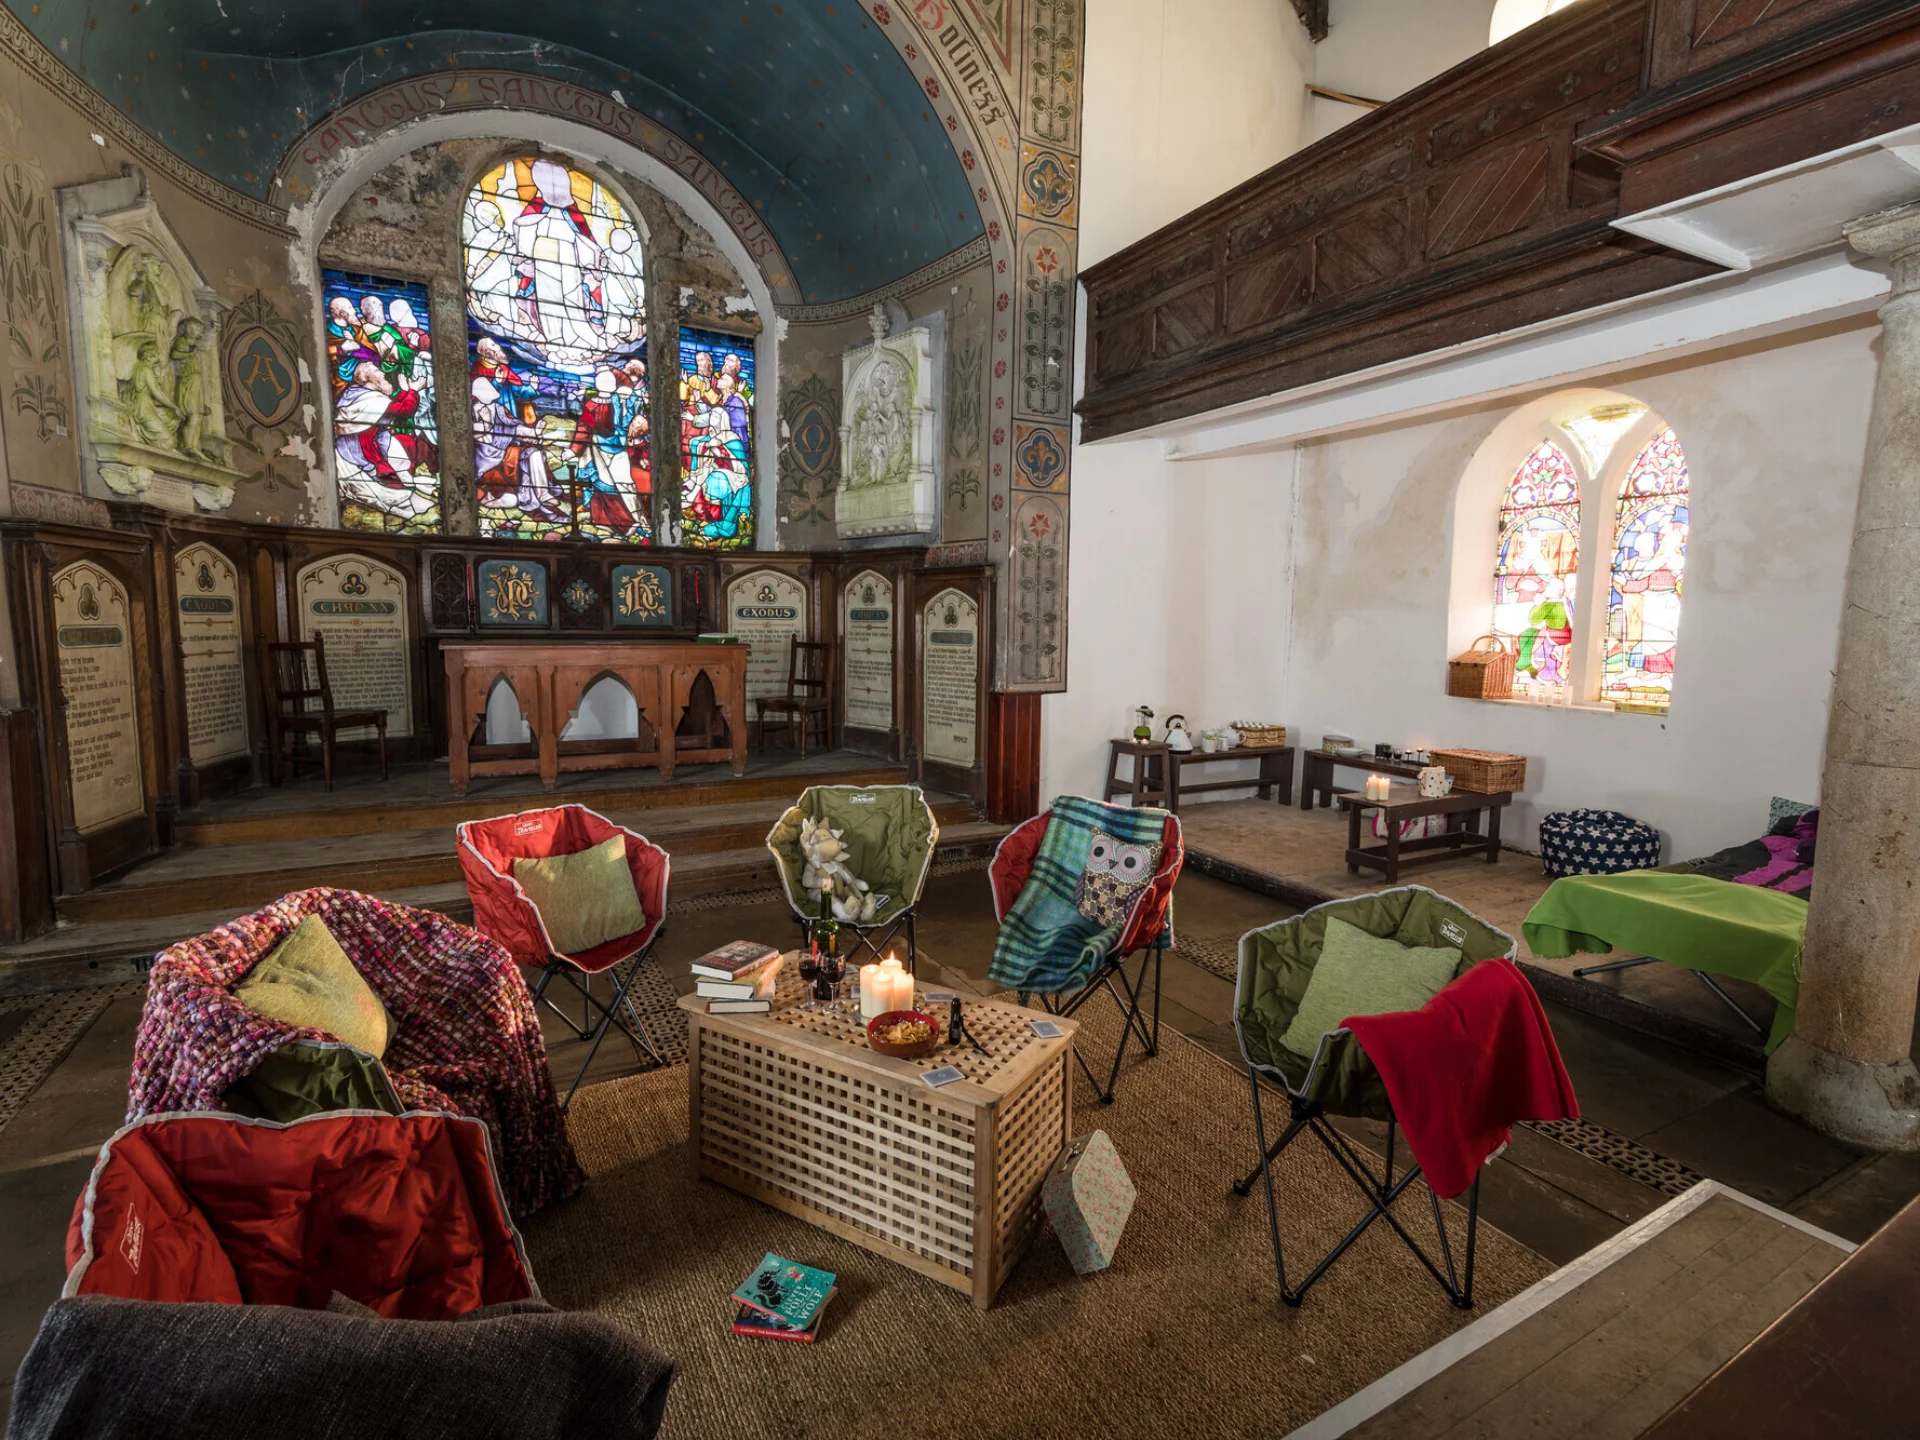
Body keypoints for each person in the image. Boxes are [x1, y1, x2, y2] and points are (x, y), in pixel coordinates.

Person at [333, 362, 434, 520]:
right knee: (384, 489)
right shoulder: (365, 398)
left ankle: (407, 483)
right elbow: (402, 411)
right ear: (368, 378)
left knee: (404, 443)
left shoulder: (361, 394)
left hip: (370, 446)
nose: (382, 373)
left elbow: (388, 409)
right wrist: (413, 391)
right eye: (376, 370)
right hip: (357, 453)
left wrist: (406, 391)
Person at [473, 377, 566, 527]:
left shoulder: (498, 408)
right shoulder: (472, 409)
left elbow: (513, 426)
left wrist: (532, 433)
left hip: (506, 447)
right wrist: (486, 422)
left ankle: (543, 494)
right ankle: (529, 500)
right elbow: (475, 434)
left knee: (534, 453)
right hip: (486, 454)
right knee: (517, 456)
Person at [568, 369, 642, 537]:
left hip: (619, 449)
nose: (609, 385)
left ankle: (628, 522)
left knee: (623, 485)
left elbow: (626, 422)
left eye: (611, 382)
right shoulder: (591, 404)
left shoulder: (620, 401)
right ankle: (603, 522)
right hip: (597, 448)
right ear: (597, 384)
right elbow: (584, 427)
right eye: (604, 382)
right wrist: (574, 450)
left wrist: (630, 403)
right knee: (601, 486)